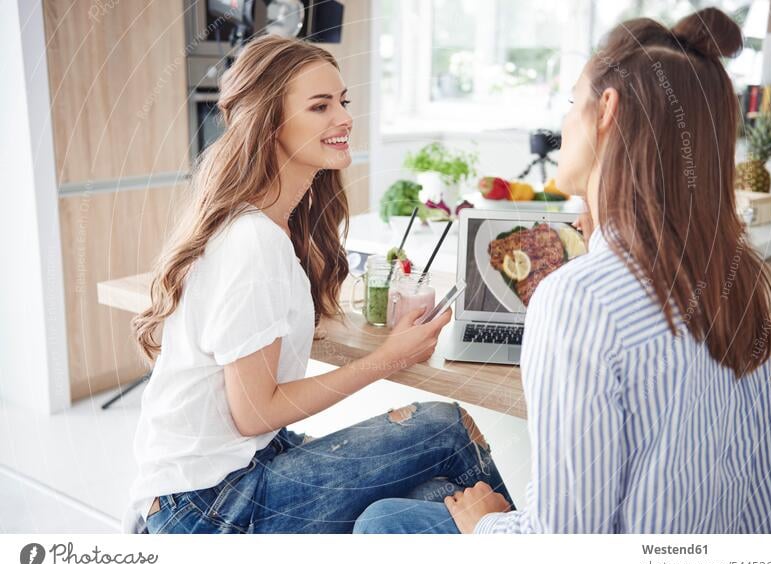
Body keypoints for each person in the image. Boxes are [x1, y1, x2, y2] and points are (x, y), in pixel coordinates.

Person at [355, 7, 771, 534]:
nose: (561, 124)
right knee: (428, 493)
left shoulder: (579, 300)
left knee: (384, 523)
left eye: (570, 102)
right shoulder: (736, 277)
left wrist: (485, 526)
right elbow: (761, 496)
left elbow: (565, 545)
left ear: (606, 109)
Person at [122, 35, 511, 534]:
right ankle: (526, 548)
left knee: (430, 497)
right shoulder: (251, 242)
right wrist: (391, 356)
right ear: (271, 123)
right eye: (320, 106)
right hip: (211, 505)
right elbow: (254, 412)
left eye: (343, 101)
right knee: (446, 428)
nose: (344, 117)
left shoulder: (273, 225)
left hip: (223, 479)